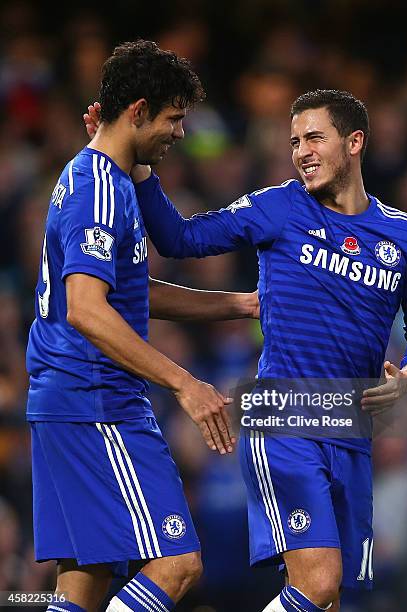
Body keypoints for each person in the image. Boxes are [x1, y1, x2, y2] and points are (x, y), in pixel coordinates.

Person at [84, 88, 407, 611]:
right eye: (295, 140)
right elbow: (179, 238)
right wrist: (140, 168)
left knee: (328, 598)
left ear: (355, 142)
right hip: (284, 413)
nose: (301, 150)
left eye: (315, 137)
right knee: (318, 581)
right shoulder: (277, 206)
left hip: (352, 422)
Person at [26, 40, 259, 612]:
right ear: (137, 111)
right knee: (177, 564)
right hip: (97, 402)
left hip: (70, 400)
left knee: (85, 578)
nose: (181, 131)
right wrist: (185, 382)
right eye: (174, 117)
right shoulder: (100, 189)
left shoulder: (109, 179)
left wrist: (241, 304)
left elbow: (132, 294)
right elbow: (85, 308)